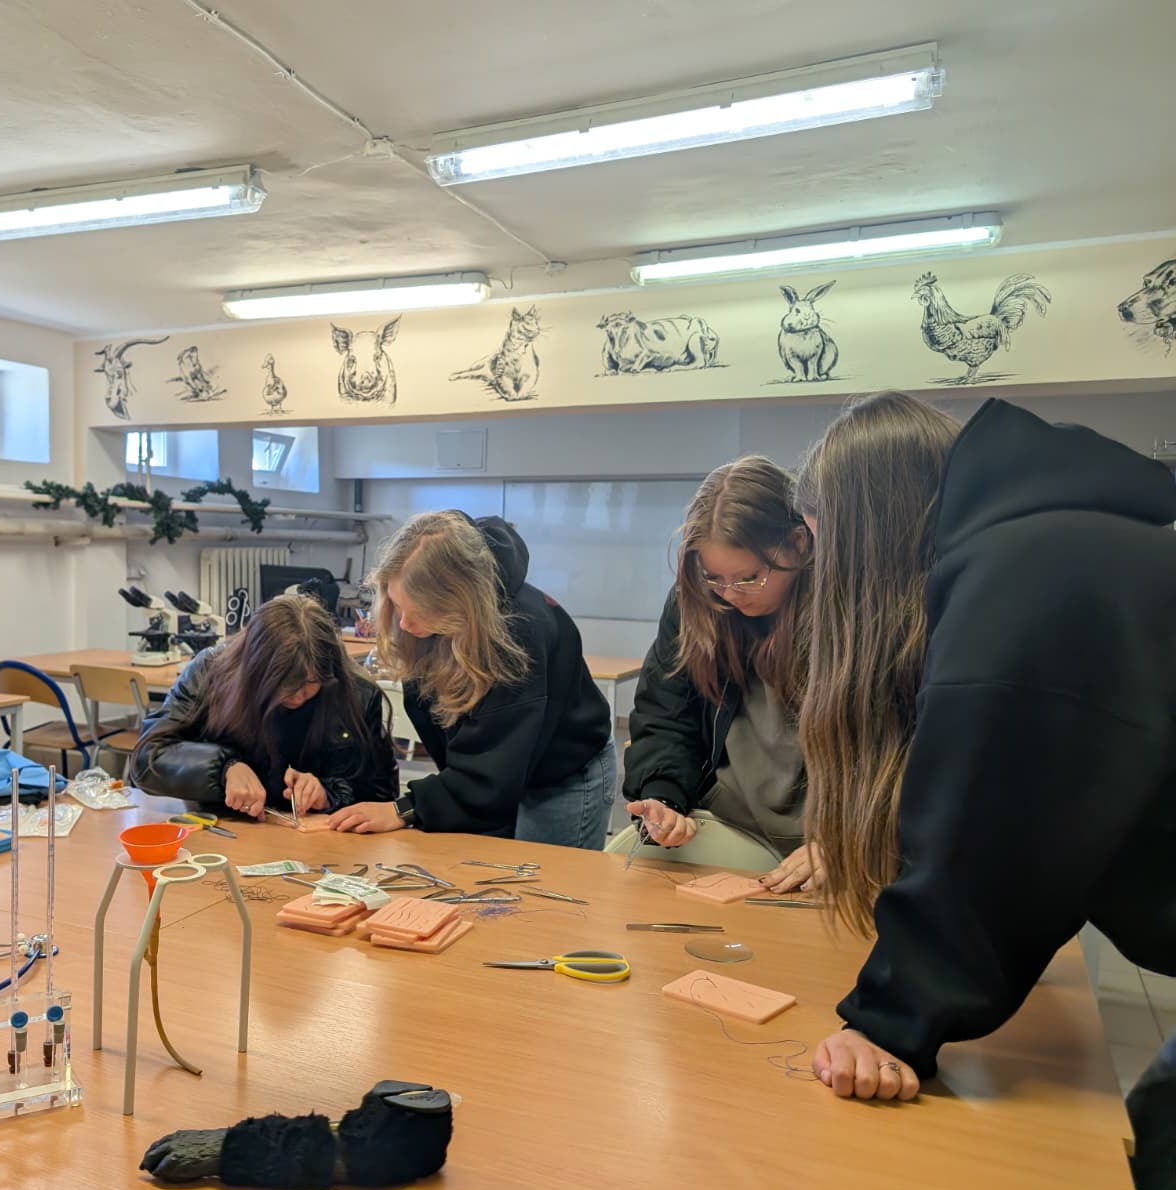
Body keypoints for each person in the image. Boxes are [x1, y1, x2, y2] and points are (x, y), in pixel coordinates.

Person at [793, 391, 1176, 1104]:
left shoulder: (1030, 574)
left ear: (864, 534)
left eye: (825, 547)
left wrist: (888, 1023)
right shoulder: (1064, 542)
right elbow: (1058, 814)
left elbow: (989, 829)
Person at [327, 510, 615, 849]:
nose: (404, 624)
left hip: (561, 773)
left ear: (459, 598)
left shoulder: (518, 635)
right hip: (498, 773)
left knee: (543, 879)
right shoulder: (435, 622)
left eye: (417, 612)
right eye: (398, 606)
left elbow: (492, 774)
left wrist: (406, 808)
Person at [621, 456, 819, 889]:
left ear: (799, 543)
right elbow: (665, 714)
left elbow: (895, 749)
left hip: (825, 844)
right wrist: (663, 795)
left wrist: (847, 840)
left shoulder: (849, 612)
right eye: (714, 577)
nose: (730, 594)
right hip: (731, 827)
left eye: (749, 578)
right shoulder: (696, 603)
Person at [129, 593, 397, 817]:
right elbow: (147, 759)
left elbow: (382, 794)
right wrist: (223, 768)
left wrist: (328, 794)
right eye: (283, 686)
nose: (297, 697)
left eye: (310, 684)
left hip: (319, 841)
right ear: (254, 672)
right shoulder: (209, 673)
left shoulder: (358, 694)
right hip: (224, 829)